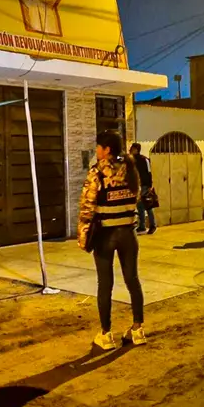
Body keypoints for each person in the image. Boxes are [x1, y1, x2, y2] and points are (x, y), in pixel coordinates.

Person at [79, 131, 146, 350]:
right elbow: (135, 199)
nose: (96, 150)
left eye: (98, 147)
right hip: (128, 234)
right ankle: (137, 330)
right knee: (132, 280)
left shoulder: (97, 172)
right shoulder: (131, 170)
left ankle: (106, 335)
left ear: (107, 149)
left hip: (105, 235)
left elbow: (87, 207)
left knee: (105, 284)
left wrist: (83, 237)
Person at [129, 142, 156, 235]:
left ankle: (152, 225)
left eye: (132, 148)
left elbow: (149, 172)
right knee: (141, 206)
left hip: (144, 185)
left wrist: (149, 185)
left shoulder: (143, 160)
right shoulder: (132, 159)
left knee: (147, 205)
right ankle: (143, 226)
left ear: (136, 149)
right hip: (139, 186)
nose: (130, 150)